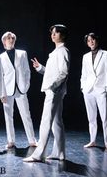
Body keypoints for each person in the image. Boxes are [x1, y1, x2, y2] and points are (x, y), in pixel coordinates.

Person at [23, 24, 70, 163]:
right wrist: (40, 68)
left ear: (62, 35)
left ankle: (39, 154)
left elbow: (63, 72)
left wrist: (53, 87)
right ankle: (59, 153)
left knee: (46, 122)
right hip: (55, 90)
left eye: (55, 33)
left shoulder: (63, 51)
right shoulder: (57, 51)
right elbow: (52, 72)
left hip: (54, 91)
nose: (52, 35)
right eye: (52, 33)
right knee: (57, 123)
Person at [0, 31, 38, 149]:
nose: (11, 40)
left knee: (26, 114)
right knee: (8, 116)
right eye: (9, 38)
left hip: (21, 89)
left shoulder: (22, 53)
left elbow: (27, 71)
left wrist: (26, 85)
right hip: (7, 90)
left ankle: (32, 140)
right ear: (4, 41)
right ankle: (11, 141)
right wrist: (1, 93)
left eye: (12, 38)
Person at [80, 32, 107, 151]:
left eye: (93, 40)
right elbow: (84, 74)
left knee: (104, 117)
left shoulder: (106, 54)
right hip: (88, 90)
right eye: (89, 41)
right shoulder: (85, 56)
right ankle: (93, 140)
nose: (91, 42)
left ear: (96, 40)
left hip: (101, 89)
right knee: (91, 117)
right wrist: (83, 87)